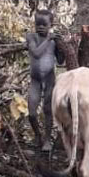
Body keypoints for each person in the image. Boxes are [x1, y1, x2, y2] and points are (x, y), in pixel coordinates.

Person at [25, 8, 63, 151]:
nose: (40, 27)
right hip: (35, 80)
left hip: (49, 79)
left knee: (48, 110)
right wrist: (48, 39)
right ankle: (37, 136)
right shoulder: (31, 37)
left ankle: (47, 140)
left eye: (44, 25)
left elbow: (60, 61)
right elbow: (35, 53)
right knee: (32, 112)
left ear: (50, 25)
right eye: (38, 24)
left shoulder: (54, 41)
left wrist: (61, 45)